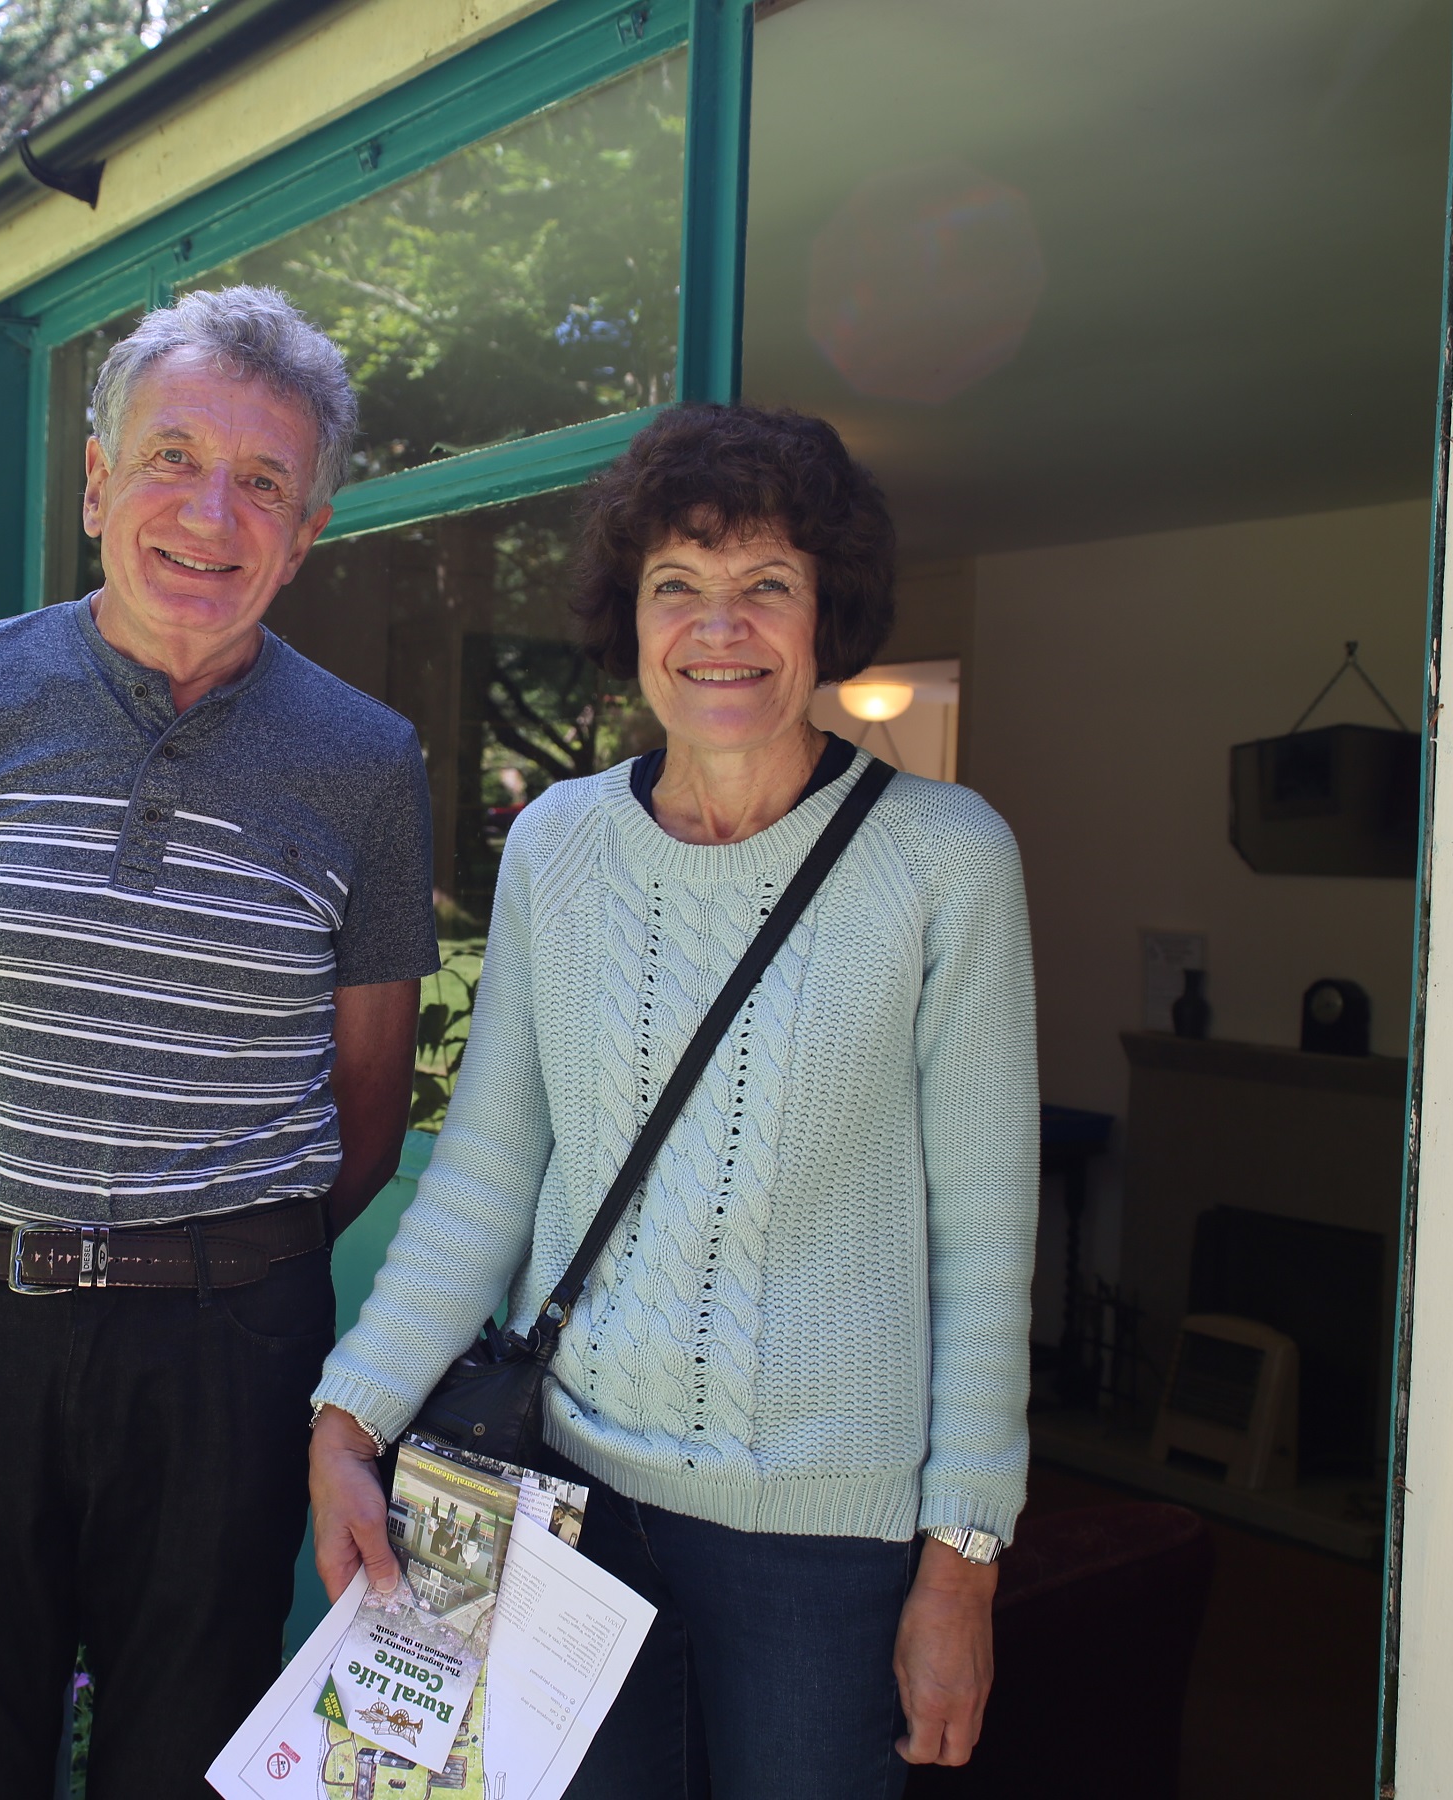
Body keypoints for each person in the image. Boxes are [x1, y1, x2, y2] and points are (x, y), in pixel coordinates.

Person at [307, 403, 1038, 1798]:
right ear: (630, 617)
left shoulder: (947, 861)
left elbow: (988, 1245)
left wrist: (964, 1566)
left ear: (828, 617)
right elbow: (488, 1175)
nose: (722, 627)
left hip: (827, 1551)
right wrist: (350, 1416)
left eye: (768, 585)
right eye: (678, 588)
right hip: (563, 1504)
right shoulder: (557, 847)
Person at [0, 286, 439, 1798]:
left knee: (193, 1767)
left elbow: (368, 1102)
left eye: (264, 483)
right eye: (171, 458)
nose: (211, 514)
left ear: (305, 535)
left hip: (226, 1360)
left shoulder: (369, 763)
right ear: (97, 484)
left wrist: (221, 1281)